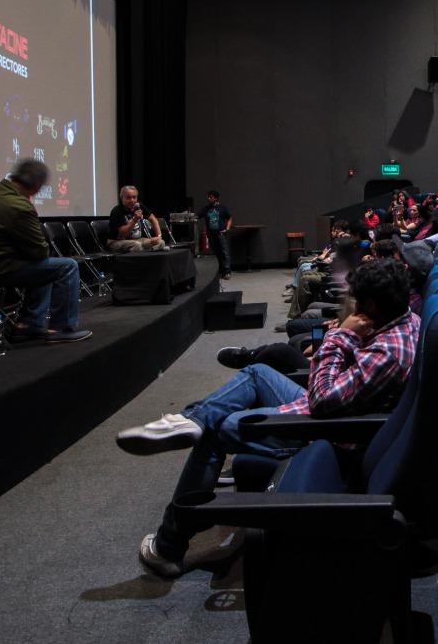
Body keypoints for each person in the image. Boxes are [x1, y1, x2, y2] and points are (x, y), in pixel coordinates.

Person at [116, 258, 419, 577]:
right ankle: (190, 419)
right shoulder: (403, 320)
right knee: (258, 373)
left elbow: (321, 401)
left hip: (329, 435)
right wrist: (351, 336)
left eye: (356, 301)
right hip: (341, 412)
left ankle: (168, 547)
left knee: (221, 429)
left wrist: (339, 338)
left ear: (370, 305)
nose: (350, 306)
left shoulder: (387, 353)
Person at [0, 158, 91, 343]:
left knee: (45, 268)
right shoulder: (19, 205)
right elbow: (39, 252)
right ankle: (61, 328)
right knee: (67, 267)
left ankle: (28, 325)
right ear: (36, 187)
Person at [107, 186, 167, 252]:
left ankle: (150, 259)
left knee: (160, 242)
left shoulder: (139, 206)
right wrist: (135, 219)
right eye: (128, 198)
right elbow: (124, 233)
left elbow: (153, 219)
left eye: (134, 197)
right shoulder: (117, 211)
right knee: (136, 245)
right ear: (122, 198)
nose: (132, 200)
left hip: (137, 240)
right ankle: (142, 261)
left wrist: (158, 235)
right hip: (116, 241)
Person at [200, 190, 233, 278]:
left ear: (216, 198)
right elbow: (197, 216)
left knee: (225, 252)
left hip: (221, 234)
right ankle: (219, 271)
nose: (208, 198)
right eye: (208, 196)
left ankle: (227, 271)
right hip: (211, 235)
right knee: (216, 254)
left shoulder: (222, 207)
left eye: (211, 197)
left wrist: (227, 228)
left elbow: (229, 218)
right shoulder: (205, 209)